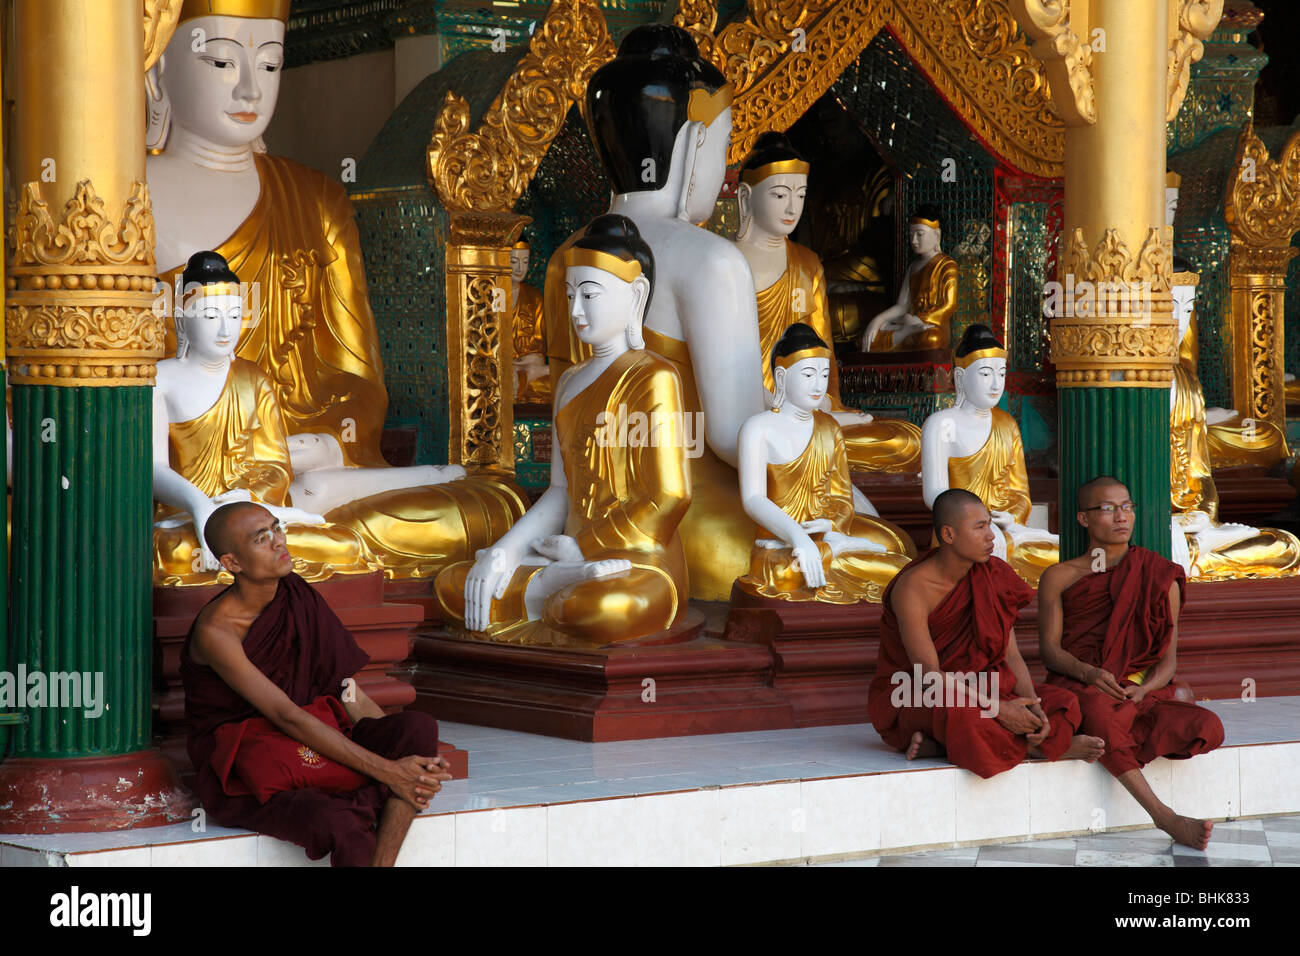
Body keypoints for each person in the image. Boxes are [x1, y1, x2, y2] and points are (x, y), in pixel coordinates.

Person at [436, 215, 692, 645]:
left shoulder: (655, 377)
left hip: (639, 561)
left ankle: (547, 592)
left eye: (589, 294)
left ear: (636, 295)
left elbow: (670, 496)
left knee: (599, 609)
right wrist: (506, 552)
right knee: (456, 584)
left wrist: (584, 547)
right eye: (570, 294)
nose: (575, 310)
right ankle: (550, 588)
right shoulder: (570, 382)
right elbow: (559, 493)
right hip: (567, 557)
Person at [180, 500, 452, 866]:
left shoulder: (296, 593)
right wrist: (390, 772)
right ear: (232, 563)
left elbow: (344, 687)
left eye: (277, 528)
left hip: (318, 738)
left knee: (417, 728)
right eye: (262, 538)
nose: (279, 542)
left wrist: (398, 752)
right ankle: (377, 792)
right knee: (334, 820)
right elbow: (285, 714)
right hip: (255, 767)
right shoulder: (217, 630)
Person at [1038, 476, 1226, 850]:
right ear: (1083, 519)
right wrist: (1089, 672)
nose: (1121, 517)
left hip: (1137, 692)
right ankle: (1165, 816)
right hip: (1082, 685)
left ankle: (1081, 740)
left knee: (1208, 726)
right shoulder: (1059, 576)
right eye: (1107, 509)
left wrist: (1144, 690)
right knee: (1098, 711)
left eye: (1127, 507)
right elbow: (1049, 650)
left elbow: (1167, 661)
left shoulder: (1159, 576)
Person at [867, 488, 1102, 778]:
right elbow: (929, 677)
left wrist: (1034, 708)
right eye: (979, 527)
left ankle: (945, 745)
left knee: (1063, 702)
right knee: (966, 718)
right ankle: (1037, 749)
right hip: (919, 695)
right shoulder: (913, 588)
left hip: (984, 688)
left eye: (989, 524)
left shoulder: (993, 575)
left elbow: (1011, 655)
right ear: (949, 535)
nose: (991, 536)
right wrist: (999, 710)